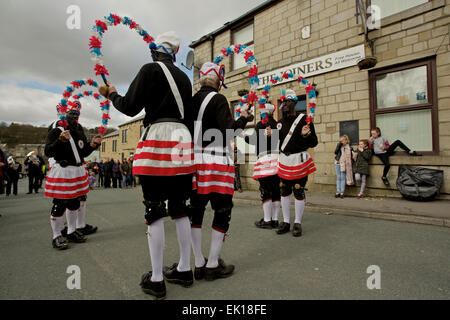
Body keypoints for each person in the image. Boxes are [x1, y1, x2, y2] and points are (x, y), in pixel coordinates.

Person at [106, 31, 196, 299]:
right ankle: (184, 268)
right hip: (182, 140)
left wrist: (112, 94)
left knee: (154, 207)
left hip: (158, 138)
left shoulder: (149, 69)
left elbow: (130, 107)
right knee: (180, 208)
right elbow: (188, 116)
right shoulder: (184, 77)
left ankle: (157, 279)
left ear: (154, 52)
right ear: (174, 54)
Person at [188, 62, 249, 283]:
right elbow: (230, 131)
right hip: (216, 160)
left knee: (195, 211)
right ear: (218, 81)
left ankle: (198, 262)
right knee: (222, 209)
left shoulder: (191, 100)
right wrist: (244, 117)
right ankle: (212, 265)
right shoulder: (219, 99)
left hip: (193, 161)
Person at [44, 101, 102, 250]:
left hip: (77, 170)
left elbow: (82, 153)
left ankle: (71, 231)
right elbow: (48, 151)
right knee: (60, 203)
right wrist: (60, 140)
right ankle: (56, 235)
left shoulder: (79, 130)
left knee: (74, 203)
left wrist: (93, 145)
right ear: (65, 112)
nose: (75, 116)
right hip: (63, 170)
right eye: (72, 112)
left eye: (77, 113)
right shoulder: (57, 128)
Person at [273, 89, 318, 237]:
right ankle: (286, 222)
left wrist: (306, 135)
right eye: (283, 102)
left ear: (294, 103)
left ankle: (297, 223)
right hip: (284, 160)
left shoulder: (305, 120)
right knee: (284, 191)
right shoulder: (279, 123)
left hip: (298, 160)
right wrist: (268, 136)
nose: (284, 104)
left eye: (288, 101)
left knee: (298, 190)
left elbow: (314, 142)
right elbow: (275, 144)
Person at [244, 103, 280, 229]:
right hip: (277, 160)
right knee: (276, 190)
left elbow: (252, 140)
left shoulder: (261, 124)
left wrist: (243, 136)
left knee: (265, 190)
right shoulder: (277, 124)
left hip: (264, 159)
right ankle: (275, 220)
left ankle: (267, 220)